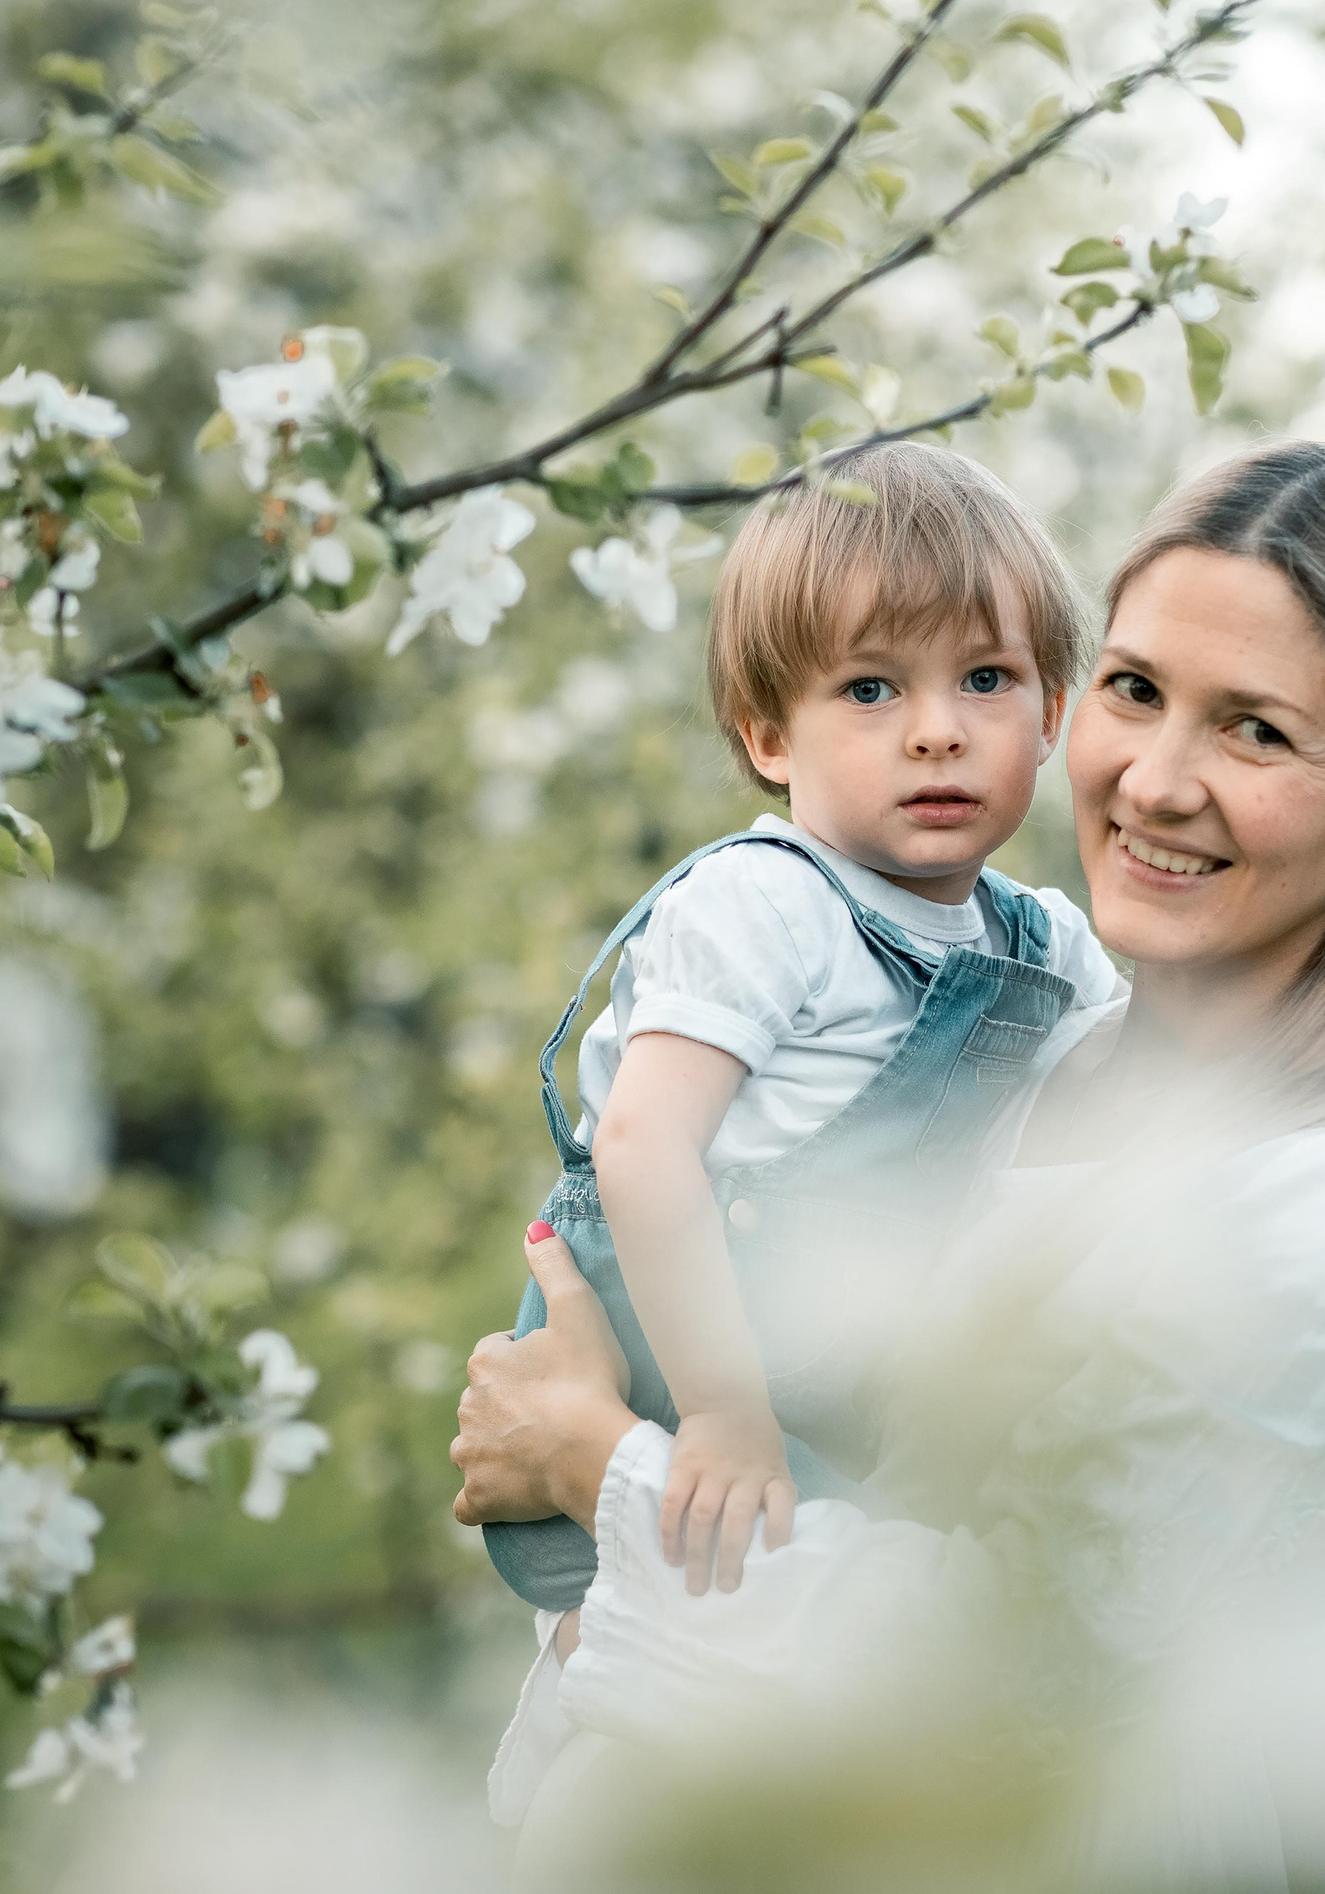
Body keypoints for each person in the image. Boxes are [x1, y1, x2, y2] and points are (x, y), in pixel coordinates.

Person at [452, 441, 1325, 1890]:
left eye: (1255, 731)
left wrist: (591, 1457)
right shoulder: (1043, 1046)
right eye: (1136, 690)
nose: (1155, 783)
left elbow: (1008, 1680)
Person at [482, 441, 1125, 1623]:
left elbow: (1149, 1096)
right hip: (687, 1381)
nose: (936, 730)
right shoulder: (761, 903)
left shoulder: (1045, 944)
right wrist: (723, 1406)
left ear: (1049, 715)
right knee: (642, 1649)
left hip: (863, 1405)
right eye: (871, 689)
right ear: (770, 737)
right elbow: (642, 1145)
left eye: (984, 678)